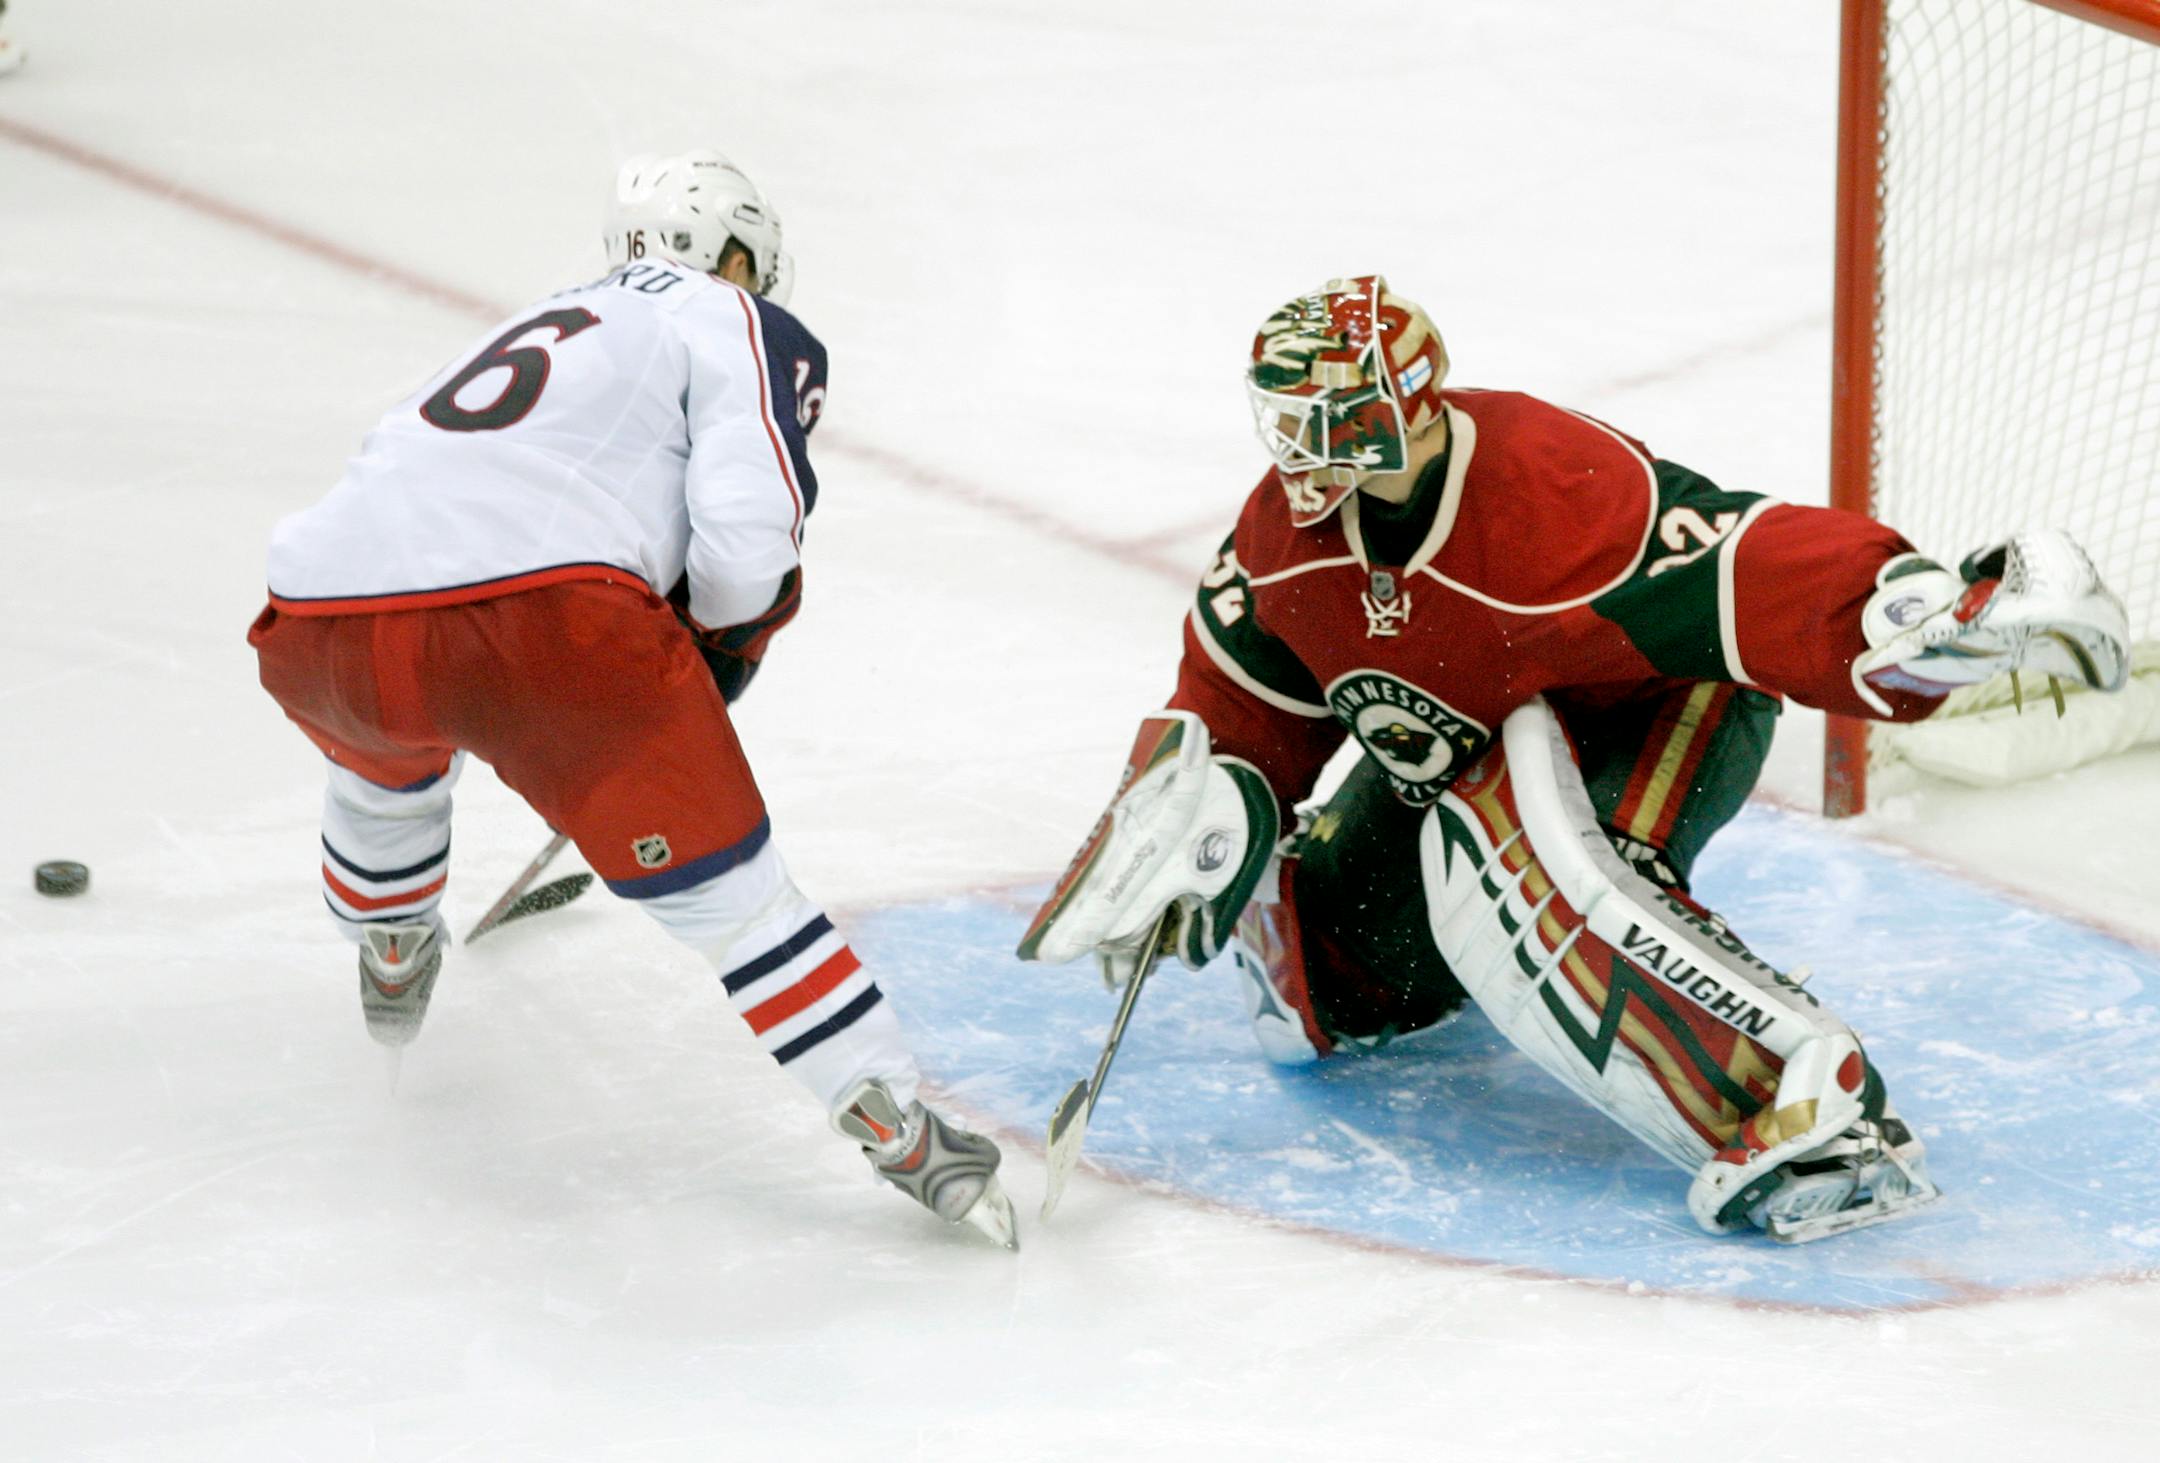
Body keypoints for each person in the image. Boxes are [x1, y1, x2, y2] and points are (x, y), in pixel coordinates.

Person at [1018, 275, 2130, 1242]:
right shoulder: (1285, 539)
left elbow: (1743, 557)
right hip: (1469, 740)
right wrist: (1199, 808)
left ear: (1408, 406)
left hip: (1650, 704)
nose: (1307, 454)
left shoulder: (1551, 492)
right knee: (1334, 987)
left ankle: (1813, 1109)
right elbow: (1242, 692)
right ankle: (1365, 940)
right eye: (1289, 419)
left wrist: (1912, 606)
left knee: (1518, 877)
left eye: (1338, 419)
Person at [248, 149, 1016, 1249]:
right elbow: (746, 541)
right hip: (545, 625)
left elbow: (404, 474)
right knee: (736, 900)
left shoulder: (551, 310)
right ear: (732, 253)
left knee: (385, 754)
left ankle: (388, 935)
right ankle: (893, 1116)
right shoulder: (732, 318)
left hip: (319, 608)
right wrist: (712, 649)